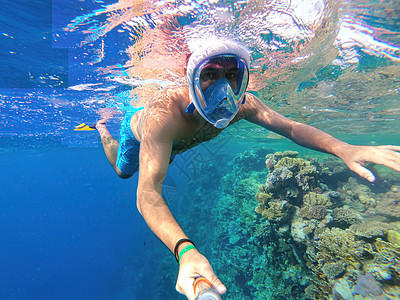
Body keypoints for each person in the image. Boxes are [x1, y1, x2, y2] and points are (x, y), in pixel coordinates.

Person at [96, 38, 400, 300]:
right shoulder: (162, 117)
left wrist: (343, 148)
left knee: (166, 159)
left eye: (232, 76)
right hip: (137, 135)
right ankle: (103, 132)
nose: (223, 90)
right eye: (209, 76)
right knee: (124, 171)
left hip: (171, 146)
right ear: (189, 79)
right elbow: (148, 194)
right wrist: (186, 251)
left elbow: (292, 128)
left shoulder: (244, 105)